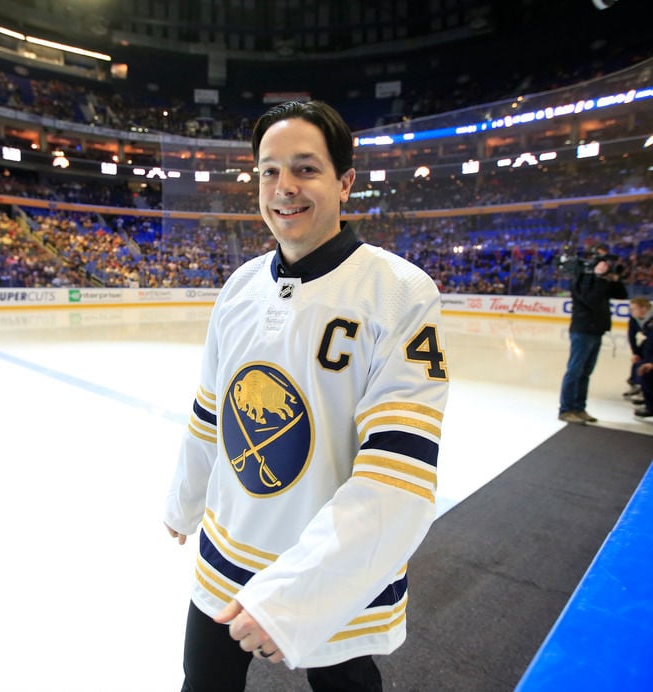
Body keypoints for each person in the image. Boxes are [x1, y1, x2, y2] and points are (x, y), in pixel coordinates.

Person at [163, 100, 449, 692]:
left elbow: (398, 476)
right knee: (203, 682)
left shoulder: (398, 292)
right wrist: (183, 503)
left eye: (305, 169)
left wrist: (293, 597)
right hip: (226, 554)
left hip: (329, 572)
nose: (283, 188)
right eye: (269, 171)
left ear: (345, 182)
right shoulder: (239, 287)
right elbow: (212, 415)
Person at [558, 244, 628, 424]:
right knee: (575, 371)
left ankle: (579, 408)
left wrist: (615, 278)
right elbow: (592, 300)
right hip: (582, 330)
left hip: (596, 330)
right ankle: (566, 409)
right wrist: (598, 278)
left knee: (585, 372)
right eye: (602, 260)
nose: (605, 264)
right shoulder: (581, 280)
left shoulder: (602, 281)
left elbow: (621, 295)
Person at [624, 297, 653, 398]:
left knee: (647, 359)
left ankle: (644, 386)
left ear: (644, 308)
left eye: (634, 309)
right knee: (638, 359)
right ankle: (635, 382)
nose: (631, 311)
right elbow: (631, 335)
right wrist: (635, 352)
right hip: (648, 342)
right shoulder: (634, 319)